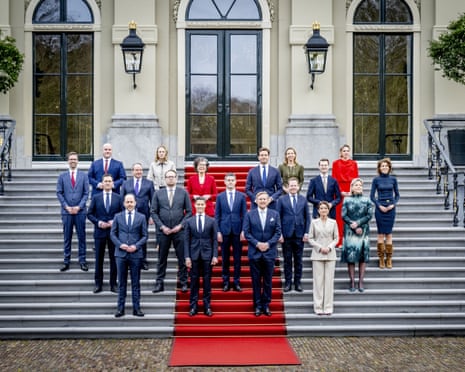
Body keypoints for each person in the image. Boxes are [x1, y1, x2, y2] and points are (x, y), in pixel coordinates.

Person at [151, 169, 192, 293]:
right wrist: (162, 227)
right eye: (168, 177)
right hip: (163, 232)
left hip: (179, 231)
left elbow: (189, 212)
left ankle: (184, 282)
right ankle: (159, 283)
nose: (170, 179)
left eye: (172, 177)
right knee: (161, 258)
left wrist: (180, 226)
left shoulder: (183, 193)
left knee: (182, 258)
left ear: (176, 178)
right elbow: (153, 211)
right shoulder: (158, 193)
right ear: (164, 178)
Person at [243, 192, 281, 317]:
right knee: (256, 281)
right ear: (256, 201)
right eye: (260, 199)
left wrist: (268, 244)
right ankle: (257, 305)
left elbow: (277, 232)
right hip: (255, 252)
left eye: (265, 199)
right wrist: (258, 244)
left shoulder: (274, 214)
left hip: (269, 253)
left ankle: (266, 305)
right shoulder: (249, 214)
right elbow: (247, 233)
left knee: (268, 281)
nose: (263, 201)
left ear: (268, 201)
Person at [110, 193, 148, 318]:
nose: (130, 204)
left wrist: (136, 246)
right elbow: (113, 234)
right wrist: (120, 245)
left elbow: (145, 236)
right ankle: (120, 309)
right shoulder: (117, 216)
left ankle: (136, 308)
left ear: (135, 203)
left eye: (132, 202)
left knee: (136, 283)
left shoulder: (141, 217)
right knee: (121, 283)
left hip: (136, 254)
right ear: (124, 203)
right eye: (127, 202)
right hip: (121, 254)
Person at [87, 174, 123, 293]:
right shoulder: (96, 198)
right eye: (105, 181)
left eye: (109, 181)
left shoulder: (118, 198)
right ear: (102, 184)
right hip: (100, 233)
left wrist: (115, 221)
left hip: (114, 233)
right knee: (99, 259)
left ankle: (113, 284)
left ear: (113, 184)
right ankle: (98, 284)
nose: (107, 183)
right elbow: (90, 214)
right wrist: (98, 222)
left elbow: (122, 213)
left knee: (114, 259)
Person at [184, 197, 219, 317]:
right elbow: (186, 240)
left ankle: (207, 306)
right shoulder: (189, 221)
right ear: (195, 206)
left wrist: (215, 255)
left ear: (205, 206)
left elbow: (214, 239)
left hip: (207, 255)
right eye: (197, 204)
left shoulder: (212, 221)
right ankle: (193, 306)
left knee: (207, 282)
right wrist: (187, 257)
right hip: (193, 255)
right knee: (194, 282)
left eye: (201, 204)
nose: (199, 206)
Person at [56, 152, 89, 272]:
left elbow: (86, 193)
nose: (73, 161)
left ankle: (82, 261)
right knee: (67, 237)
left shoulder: (84, 176)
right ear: (68, 161)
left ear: (78, 161)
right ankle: (66, 261)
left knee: (82, 237)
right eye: (71, 159)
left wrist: (79, 207)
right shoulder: (62, 176)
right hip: (67, 212)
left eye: (75, 159)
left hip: (80, 212)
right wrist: (66, 207)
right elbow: (59, 192)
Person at [215, 173, 247, 292]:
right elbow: (217, 216)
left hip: (238, 231)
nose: (230, 182)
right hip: (224, 231)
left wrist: (244, 230)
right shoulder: (220, 196)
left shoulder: (241, 196)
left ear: (235, 182)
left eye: (232, 180)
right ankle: (226, 282)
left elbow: (244, 215)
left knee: (237, 258)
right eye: (228, 180)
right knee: (225, 258)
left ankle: (237, 282)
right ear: (224, 182)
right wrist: (218, 231)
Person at [277, 177, 310, 292]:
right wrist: (279, 233)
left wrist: (306, 232)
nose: (293, 188)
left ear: (298, 187)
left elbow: (307, 217)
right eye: (291, 186)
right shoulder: (281, 200)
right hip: (286, 234)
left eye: (295, 185)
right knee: (287, 260)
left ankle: (297, 282)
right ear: (287, 187)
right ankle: (287, 283)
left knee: (298, 260)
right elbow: (278, 218)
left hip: (299, 234)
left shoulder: (303, 200)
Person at [340, 178, 373, 293]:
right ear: (352, 187)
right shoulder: (347, 200)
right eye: (356, 185)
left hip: (363, 231)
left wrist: (358, 224)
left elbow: (369, 215)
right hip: (350, 231)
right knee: (351, 257)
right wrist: (352, 225)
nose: (359, 187)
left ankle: (361, 282)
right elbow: (343, 215)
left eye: (360, 185)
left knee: (362, 258)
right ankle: (352, 282)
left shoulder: (367, 200)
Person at [122, 163, 154, 270]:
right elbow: (122, 200)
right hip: (128, 215)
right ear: (132, 171)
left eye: (140, 170)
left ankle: (142, 260)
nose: (138, 172)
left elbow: (153, 201)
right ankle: (130, 259)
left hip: (144, 215)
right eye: (136, 170)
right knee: (130, 236)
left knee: (142, 237)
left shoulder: (149, 183)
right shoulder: (126, 184)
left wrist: (151, 216)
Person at [308, 201, 339, 315]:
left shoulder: (333, 222)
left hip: (330, 255)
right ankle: (318, 307)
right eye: (321, 208)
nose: (323, 210)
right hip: (317, 255)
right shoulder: (314, 223)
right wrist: (320, 248)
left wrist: (329, 247)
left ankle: (328, 307)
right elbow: (311, 238)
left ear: (328, 210)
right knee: (318, 282)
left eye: (325, 208)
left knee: (329, 282)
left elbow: (336, 238)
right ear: (318, 210)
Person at [370, 158, 400, 269]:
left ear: (389, 167)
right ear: (379, 168)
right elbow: (372, 197)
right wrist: (379, 206)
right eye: (382, 166)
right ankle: (381, 259)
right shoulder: (376, 180)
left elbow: (397, 195)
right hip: (380, 209)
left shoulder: (393, 179)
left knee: (389, 234)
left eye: (386, 166)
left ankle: (389, 259)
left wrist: (393, 204)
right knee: (380, 234)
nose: (384, 168)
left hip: (391, 209)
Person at [332, 144, 359, 247]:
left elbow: (356, 179)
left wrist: (352, 191)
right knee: (339, 217)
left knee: (352, 216)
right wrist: (340, 192)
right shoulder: (336, 163)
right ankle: (339, 241)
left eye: (347, 151)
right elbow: (334, 179)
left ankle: (350, 240)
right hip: (339, 192)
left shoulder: (354, 163)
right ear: (340, 153)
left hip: (351, 192)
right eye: (344, 151)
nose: (346, 152)